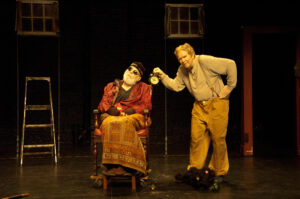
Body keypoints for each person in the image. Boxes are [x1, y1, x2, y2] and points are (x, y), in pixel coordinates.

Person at [153, 43, 237, 183]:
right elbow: (176, 86)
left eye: (185, 56)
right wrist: (162, 76)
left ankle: (219, 172)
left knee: (218, 139)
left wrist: (230, 87)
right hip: (199, 106)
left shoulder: (204, 60)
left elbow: (231, 64)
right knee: (196, 138)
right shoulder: (182, 70)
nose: (183, 60)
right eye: (180, 58)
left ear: (191, 54)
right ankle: (195, 169)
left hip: (217, 104)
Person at [98, 61, 152, 175]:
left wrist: (131, 110)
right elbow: (104, 102)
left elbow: (146, 104)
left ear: (138, 78)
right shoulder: (111, 86)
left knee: (124, 123)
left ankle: (129, 166)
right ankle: (112, 164)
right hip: (112, 115)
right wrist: (113, 111)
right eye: (129, 69)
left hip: (133, 115)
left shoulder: (144, 88)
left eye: (135, 72)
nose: (130, 73)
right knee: (110, 123)